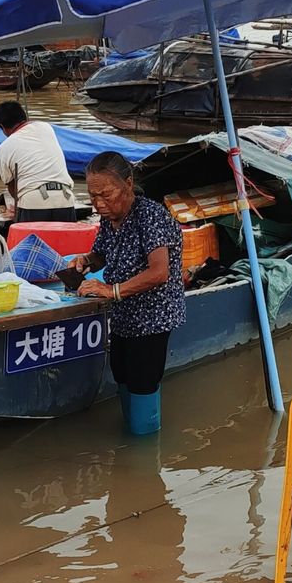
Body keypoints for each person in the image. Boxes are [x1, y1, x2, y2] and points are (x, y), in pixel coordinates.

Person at [70, 152, 185, 434]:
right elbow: (102, 254)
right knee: (121, 372)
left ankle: (145, 445)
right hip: (124, 315)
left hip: (152, 317)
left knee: (143, 380)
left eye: (106, 195)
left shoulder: (151, 216)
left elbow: (159, 272)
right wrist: (85, 260)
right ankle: (131, 433)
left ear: (128, 184)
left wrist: (111, 290)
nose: (99, 204)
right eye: (93, 196)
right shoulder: (109, 219)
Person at [0, 101, 76, 223]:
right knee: (64, 236)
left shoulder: (3, 148)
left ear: (2, 126)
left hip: (33, 202)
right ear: (25, 117)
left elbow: (13, 188)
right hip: (65, 198)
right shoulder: (46, 127)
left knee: (31, 237)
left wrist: (17, 208)